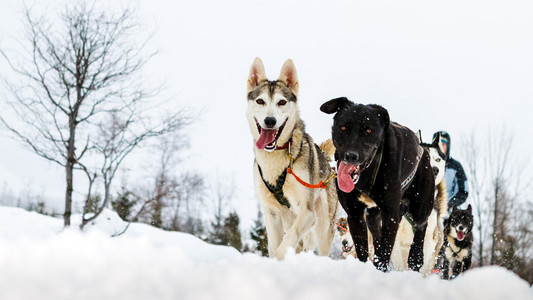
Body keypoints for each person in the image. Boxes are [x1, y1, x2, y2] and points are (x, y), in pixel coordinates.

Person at [432, 131, 469, 213]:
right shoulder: (426, 163)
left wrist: (447, 204)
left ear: (448, 147)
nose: (440, 146)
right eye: (438, 143)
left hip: (447, 215)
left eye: (443, 144)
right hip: (426, 212)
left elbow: (463, 192)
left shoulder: (455, 166)